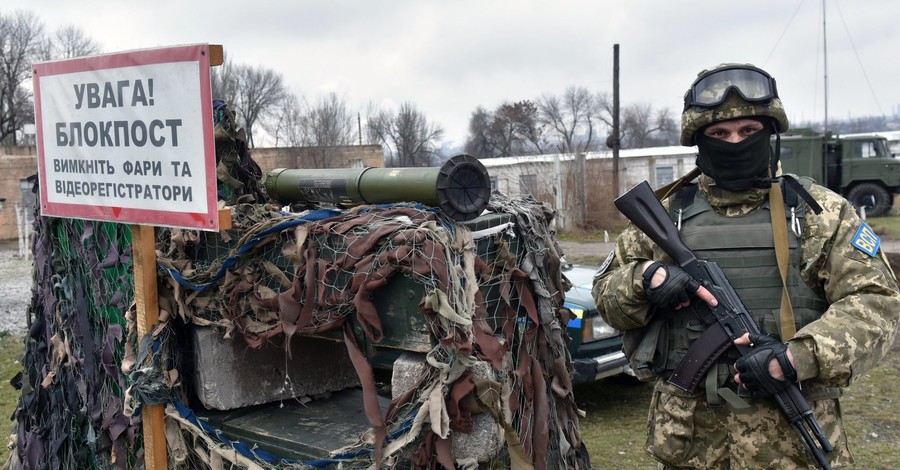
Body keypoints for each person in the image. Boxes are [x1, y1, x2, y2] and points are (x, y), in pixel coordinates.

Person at [592, 63, 900, 469]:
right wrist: (644, 279)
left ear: (769, 134)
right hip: (689, 443)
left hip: (793, 447)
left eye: (748, 131)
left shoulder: (819, 213)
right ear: (699, 141)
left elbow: (876, 303)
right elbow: (606, 298)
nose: (734, 142)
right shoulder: (665, 216)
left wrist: (796, 359)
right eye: (719, 134)